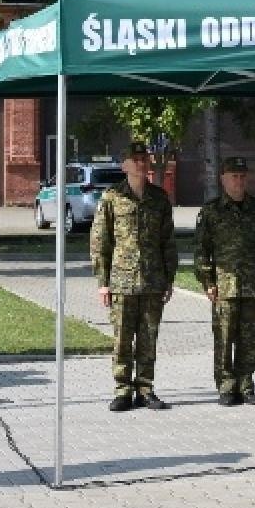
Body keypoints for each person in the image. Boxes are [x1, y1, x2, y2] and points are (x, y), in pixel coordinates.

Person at [92, 141, 178, 412]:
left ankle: (145, 388)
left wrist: (169, 278)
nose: (142, 163)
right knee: (122, 339)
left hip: (153, 281)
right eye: (136, 159)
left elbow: (168, 242)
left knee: (148, 338)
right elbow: (100, 241)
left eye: (145, 158)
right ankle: (122, 389)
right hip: (121, 281)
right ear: (124, 165)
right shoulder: (112, 197)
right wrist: (103, 283)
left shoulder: (159, 198)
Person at [194, 156, 255, 406]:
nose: (239, 181)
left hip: (252, 287)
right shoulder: (211, 211)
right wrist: (207, 281)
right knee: (223, 338)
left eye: (242, 176)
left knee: (250, 339)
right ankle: (225, 385)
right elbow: (201, 250)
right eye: (234, 176)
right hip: (224, 287)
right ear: (223, 179)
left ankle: (246, 383)